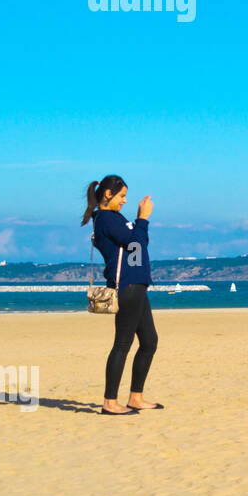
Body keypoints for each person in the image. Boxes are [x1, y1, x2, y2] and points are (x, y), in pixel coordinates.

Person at [84, 175, 161, 416]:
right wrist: (143, 218)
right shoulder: (106, 218)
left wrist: (140, 224)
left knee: (149, 342)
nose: (125, 201)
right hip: (126, 285)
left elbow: (140, 242)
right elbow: (135, 242)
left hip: (137, 284)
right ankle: (109, 402)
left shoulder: (116, 218)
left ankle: (136, 397)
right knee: (122, 344)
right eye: (121, 196)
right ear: (107, 194)